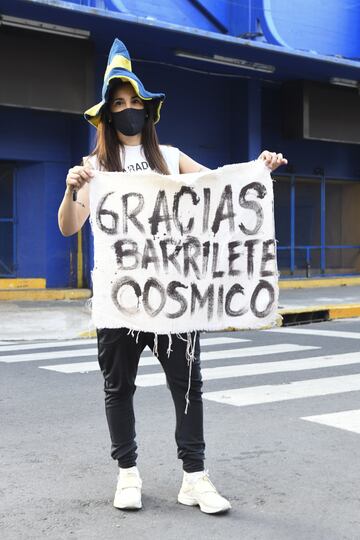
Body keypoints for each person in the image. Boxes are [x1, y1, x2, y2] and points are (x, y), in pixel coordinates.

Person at [58, 38, 287, 515]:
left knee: (188, 387)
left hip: (173, 296)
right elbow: (69, 226)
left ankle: (195, 476)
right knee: (119, 388)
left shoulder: (173, 157)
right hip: (120, 300)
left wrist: (258, 170)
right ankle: (127, 474)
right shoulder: (94, 168)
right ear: (105, 116)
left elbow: (219, 192)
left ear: (149, 112)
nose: (127, 111)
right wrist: (71, 190)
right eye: (118, 104)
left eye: (134, 103)